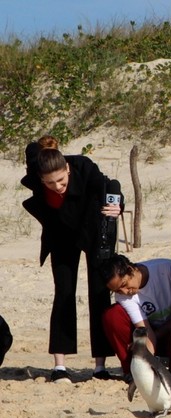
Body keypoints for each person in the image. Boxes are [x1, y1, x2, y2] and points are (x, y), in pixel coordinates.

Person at [20, 136, 123, 382]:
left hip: (92, 229)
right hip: (61, 235)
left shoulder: (84, 167)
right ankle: (60, 366)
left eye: (61, 180)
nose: (57, 186)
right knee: (64, 292)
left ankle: (100, 366)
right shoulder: (37, 174)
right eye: (50, 183)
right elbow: (32, 149)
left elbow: (111, 185)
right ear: (41, 178)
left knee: (99, 293)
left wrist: (117, 204)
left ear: (67, 168)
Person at [99, 254, 171, 379]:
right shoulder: (124, 296)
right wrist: (147, 365)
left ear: (131, 269)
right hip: (153, 338)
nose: (125, 292)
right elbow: (144, 330)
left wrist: (156, 334)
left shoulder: (167, 268)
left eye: (124, 284)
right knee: (112, 315)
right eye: (118, 290)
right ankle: (132, 371)